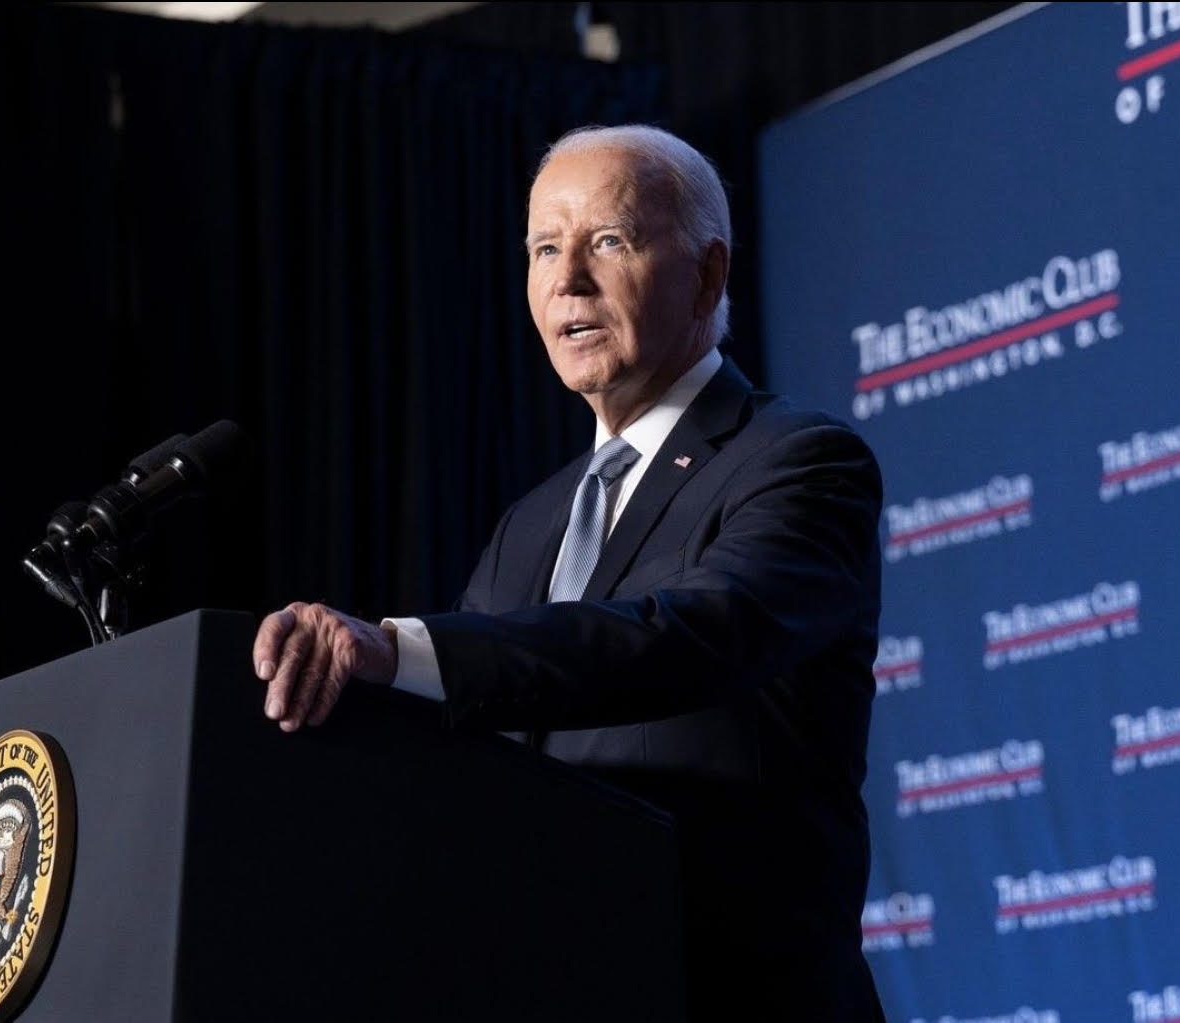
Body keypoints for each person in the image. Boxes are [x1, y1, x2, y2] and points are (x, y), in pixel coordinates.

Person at [253, 124, 885, 1020]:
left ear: (708, 273)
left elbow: (694, 634)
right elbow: (454, 750)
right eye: (545, 248)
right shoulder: (532, 524)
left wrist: (395, 647)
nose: (566, 280)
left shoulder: (799, 462)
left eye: (608, 242)